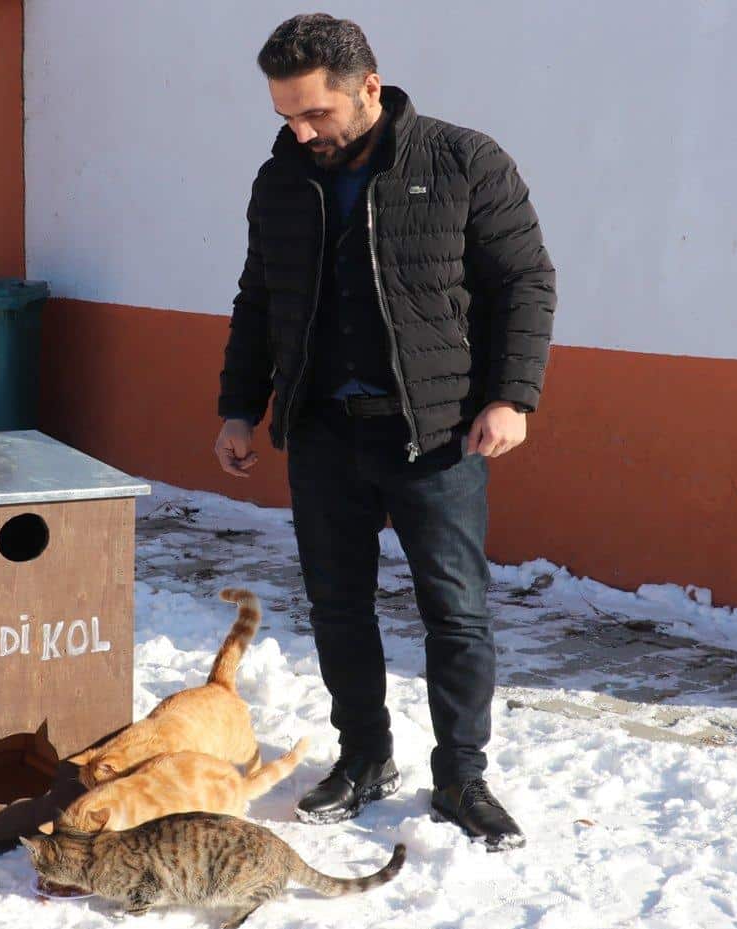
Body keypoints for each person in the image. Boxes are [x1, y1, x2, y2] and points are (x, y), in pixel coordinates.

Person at [214, 13, 557, 851]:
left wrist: (511, 397)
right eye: (286, 117)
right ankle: (365, 759)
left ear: (369, 86)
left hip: (435, 435)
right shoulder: (281, 180)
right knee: (339, 609)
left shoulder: (463, 160)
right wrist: (238, 406)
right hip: (325, 431)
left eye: (316, 114)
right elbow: (260, 299)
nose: (302, 132)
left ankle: (462, 778)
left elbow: (525, 283)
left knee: (456, 614)